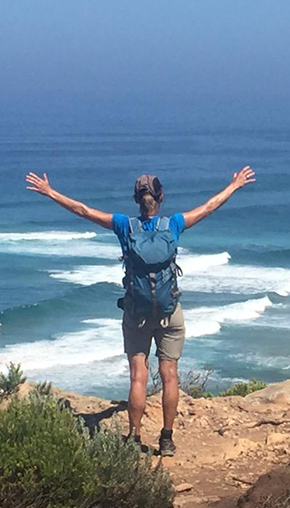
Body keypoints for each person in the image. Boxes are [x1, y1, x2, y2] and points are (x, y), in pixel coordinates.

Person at [25, 166, 256, 456]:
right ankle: (167, 439)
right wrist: (233, 185)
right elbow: (209, 207)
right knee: (170, 375)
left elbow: (83, 210)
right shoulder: (173, 224)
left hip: (136, 313)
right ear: (161, 197)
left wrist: (50, 192)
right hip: (170, 312)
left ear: (136, 200)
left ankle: (134, 438)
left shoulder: (125, 226)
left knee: (138, 376)